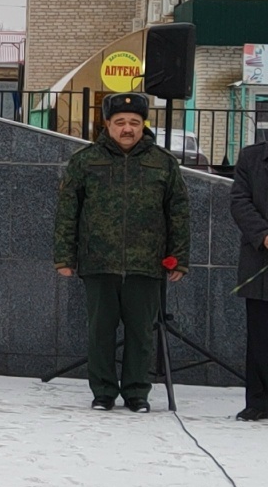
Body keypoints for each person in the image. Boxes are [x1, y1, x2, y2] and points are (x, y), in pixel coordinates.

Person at [54, 92, 189, 413]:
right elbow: (67, 211)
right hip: (98, 261)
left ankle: (137, 392)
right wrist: (64, 256)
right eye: (120, 123)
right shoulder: (86, 160)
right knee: (100, 332)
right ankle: (103, 391)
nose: (127, 129)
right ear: (108, 125)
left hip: (147, 264)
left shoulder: (163, 162)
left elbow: (179, 213)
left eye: (134, 122)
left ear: (143, 124)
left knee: (141, 334)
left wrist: (179, 256)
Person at [228, 139, 268, 422]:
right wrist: (264, 235)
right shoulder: (251, 157)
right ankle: (259, 400)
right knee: (260, 335)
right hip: (260, 258)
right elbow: (240, 200)